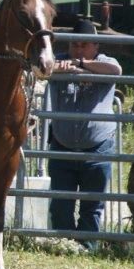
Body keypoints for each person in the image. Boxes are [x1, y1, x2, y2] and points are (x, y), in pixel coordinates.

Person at [46, 19, 121, 249]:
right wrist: (69, 67)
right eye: (74, 45)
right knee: (60, 205)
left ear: (96, 46)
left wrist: (79, 66)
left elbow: (116, 71)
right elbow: (41, 68)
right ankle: (64, 247)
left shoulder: (105, 62)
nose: (78, 49)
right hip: (63, 145)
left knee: (92, 205)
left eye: (84, 45)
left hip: (97, 148)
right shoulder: (58, 60)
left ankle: (87, 247)